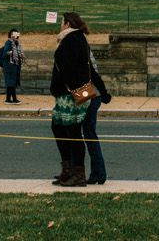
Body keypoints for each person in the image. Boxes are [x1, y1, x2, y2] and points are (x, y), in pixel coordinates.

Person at [49, 11, 93, 187]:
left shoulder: (71, 40)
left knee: (72, 132)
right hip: (75, 90)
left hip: (71, 93)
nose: (60, 25)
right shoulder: (76, 38)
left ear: (67, 24)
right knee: (60, 128)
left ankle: (77, 173)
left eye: (61, 22)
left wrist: (58, 86)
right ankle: (68, 169)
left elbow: (69, 68)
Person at [82, 46, 113, 184]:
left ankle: (98, 173)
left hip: (89, 94)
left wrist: (104, 92)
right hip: (92, 94)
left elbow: (91, 74)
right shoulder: (83, 45)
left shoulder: (79, 46)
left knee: (88, 134)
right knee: (89, 134)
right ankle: (97, 173)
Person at [0, 29, 24, 104]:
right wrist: (12, 52)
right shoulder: (8, 43)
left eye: (16, 34)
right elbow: (5, 53)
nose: (15, 36)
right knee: (11, 82)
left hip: (13, 66)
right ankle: (13, 99)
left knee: (11, 83)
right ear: (10, 35)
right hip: (9, 66)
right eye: (13, 34)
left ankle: (8, 99)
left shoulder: (16, 43)